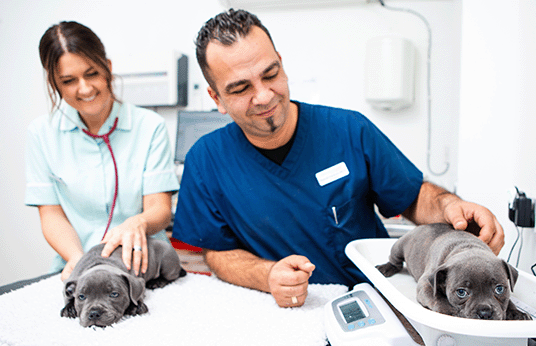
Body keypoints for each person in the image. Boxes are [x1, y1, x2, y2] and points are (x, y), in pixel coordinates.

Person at [172, 9, 504, 308]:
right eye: (241, 88)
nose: (263, 95)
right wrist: (267, 274)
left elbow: (413, 196)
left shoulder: (348, 130)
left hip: (374, 299)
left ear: (281, 64)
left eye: (270, 74)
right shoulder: (205, 161)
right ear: (216, 97)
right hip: (285, 314)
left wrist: (449, 206)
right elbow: (216, 252)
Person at [25, 21, 179, 281]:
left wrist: (138, 222)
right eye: (69, 80)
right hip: (78, 265)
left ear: (108, 67)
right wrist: (79, 260)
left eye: (92, 73)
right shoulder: (41, 134)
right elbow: (51, 215)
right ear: (54, 82)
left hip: (143, 267)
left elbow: (160, 209)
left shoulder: (149, 126)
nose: (85, 88)